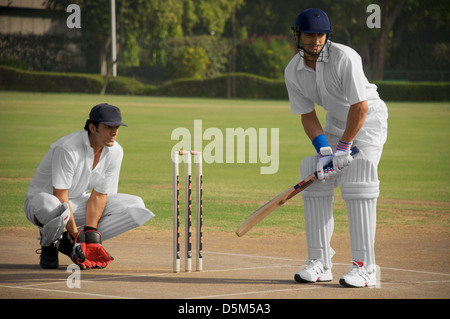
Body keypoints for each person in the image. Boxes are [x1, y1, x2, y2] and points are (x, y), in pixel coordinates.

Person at [284, 8, 388, 287]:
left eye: (320, 35)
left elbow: (360, 107)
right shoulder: (293, 71)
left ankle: (365, 267)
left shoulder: (345, 57)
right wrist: (325, 151)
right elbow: (307, 115)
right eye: (309, 35)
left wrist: (344, 147)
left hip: (368, 121)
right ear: (298, 36)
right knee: (313, 171)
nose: (315, 40)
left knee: (359, 175)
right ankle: (320, 262)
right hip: (334, 122)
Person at [25, 103, 154, 270]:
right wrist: (75, 234)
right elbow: (60, 194)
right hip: (42, 205)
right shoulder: (67, 148)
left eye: (116, 126)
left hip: (76, 202)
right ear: (93, 127)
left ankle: (82, 245)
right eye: (108, 127)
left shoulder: (115, 151)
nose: (114, 131)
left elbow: (100, 195)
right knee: (52, 205)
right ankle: (50, 244)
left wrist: (91, 232)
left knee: (136, 205)